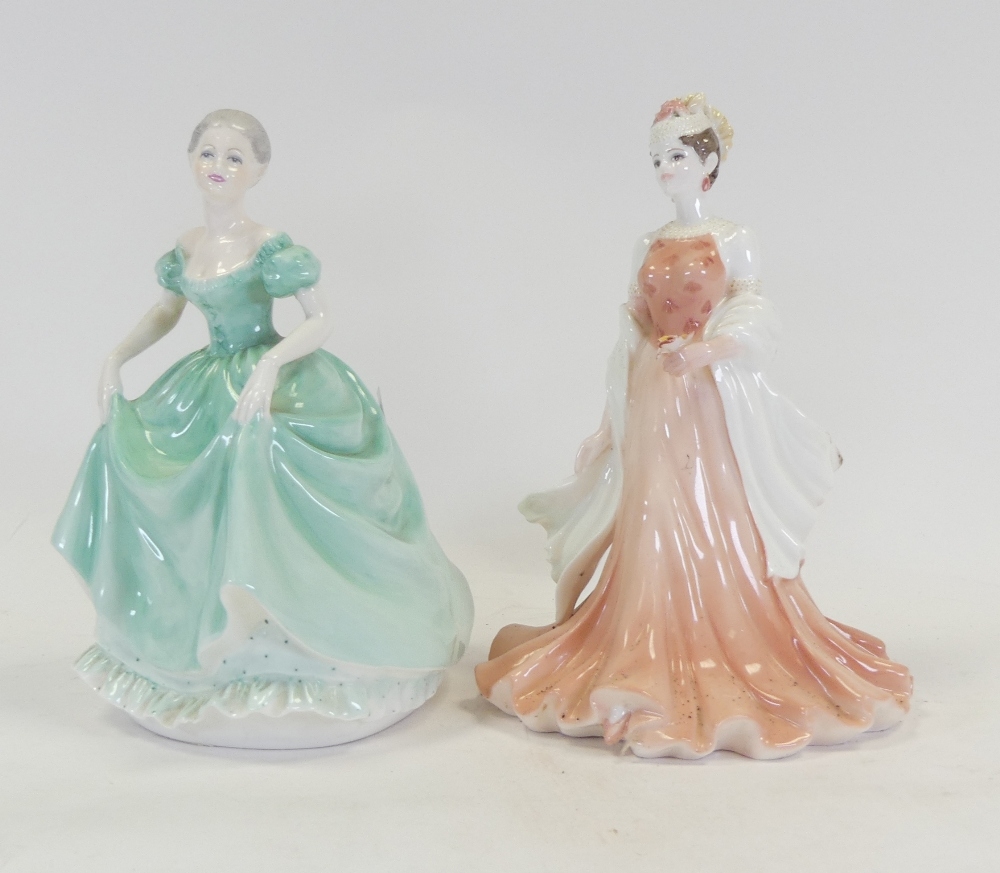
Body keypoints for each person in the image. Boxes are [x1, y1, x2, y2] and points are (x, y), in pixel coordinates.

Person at [475, 94, 911, 759]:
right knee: (650, 512)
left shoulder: (735, 239)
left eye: (676, 155)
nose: (664, 168)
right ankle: (640, 650)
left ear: (709, 163)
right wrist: (605, 427)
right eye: (656, 157)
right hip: (655, 391)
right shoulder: (646, 244)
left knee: (715, 511)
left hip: (708, 396)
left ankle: (723, 640)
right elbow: (629, 338)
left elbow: (756, 316)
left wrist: (707, 351)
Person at [54, 109, 473, 749]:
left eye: (234, 157)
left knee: (255, 454)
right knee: (132, 449)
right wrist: (116, 357)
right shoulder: (187, 245)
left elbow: (320, 318)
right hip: (208, 379)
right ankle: (182, 633)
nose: (219, 167)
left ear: (258, 169)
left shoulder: (270, 245)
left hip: (271, 374)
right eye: (208, 153)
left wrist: (273, 365)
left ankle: (295, 629)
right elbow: (166, 312)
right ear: (190, 159)